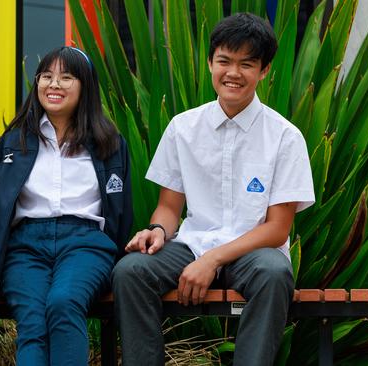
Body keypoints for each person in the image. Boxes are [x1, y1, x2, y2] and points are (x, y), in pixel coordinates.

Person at [112, 13, 315, 366]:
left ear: (264, 71)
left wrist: (213, 259)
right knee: (131, 272)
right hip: (192, 243)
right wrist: (158, 231)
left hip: (253, 251)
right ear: (210, 63)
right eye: (224, 61)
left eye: (246, 64)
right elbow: (169, 207)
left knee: (274, 273)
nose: (233, 73)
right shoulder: (183, 128)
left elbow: (278, 229)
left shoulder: (285, 137)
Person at [0, 46, 133, 365]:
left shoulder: (109, 142)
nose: (54, 84)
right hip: (25, 246)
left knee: (64, 302)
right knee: (33, 320)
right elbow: (2, 205)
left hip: (85, 244)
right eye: (46, 76)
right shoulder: (15, 141)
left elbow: (121, 209)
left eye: (66, 77)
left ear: (85, 87)